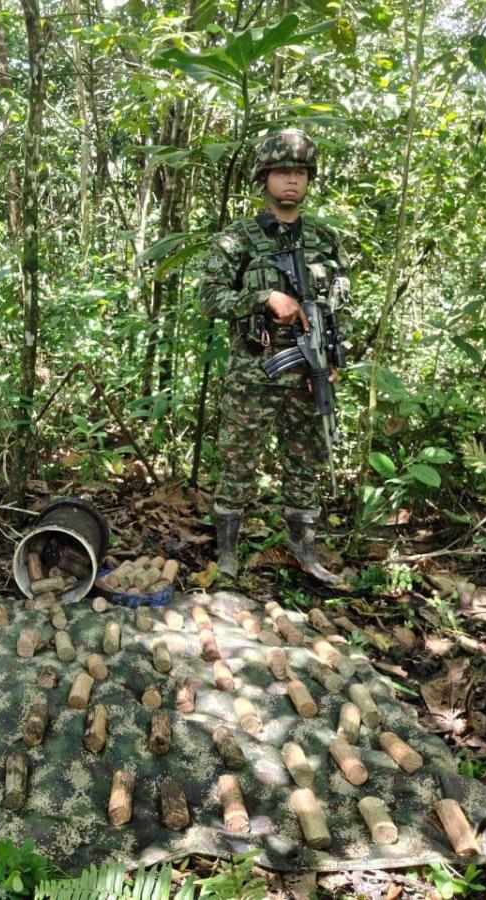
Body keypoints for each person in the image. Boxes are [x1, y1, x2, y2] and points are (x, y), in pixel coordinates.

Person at [198, 128, 349, 587]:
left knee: (307, 463)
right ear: (264, 178)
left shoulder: (325, 239)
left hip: (309, 370)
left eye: (300, 173)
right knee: (238, 462)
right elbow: (209, 298)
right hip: (254, 372)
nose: (292, 181)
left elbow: (338, 306)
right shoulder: (237, 239)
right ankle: (227, 555)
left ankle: (305, 551)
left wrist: (335, 355)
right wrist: (264, 297)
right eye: (283, 172)